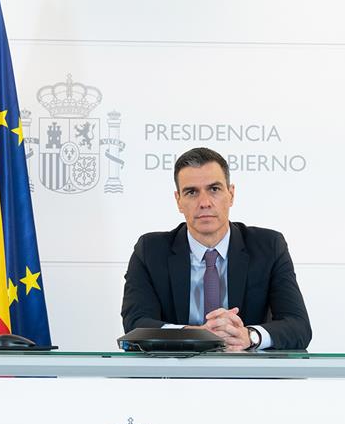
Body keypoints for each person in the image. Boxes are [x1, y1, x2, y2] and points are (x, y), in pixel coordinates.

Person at [121, 147, 312, 351]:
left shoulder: (269, 246)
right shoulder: (150, 251)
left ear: (231, 194)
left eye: (214, 189)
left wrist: (249, 336)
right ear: (178, 200)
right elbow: (136, 324)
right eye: (192, 192)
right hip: (174, 375)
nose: (204, 203)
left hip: (249, 377)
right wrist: (194, 335)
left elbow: (298, 326)